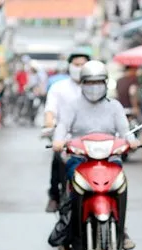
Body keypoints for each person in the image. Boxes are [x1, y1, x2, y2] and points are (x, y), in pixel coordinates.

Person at [50, 60, 139, 250]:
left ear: (106, 83)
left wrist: (131, 141)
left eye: (98, 82)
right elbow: (62, 127)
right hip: (80, 158)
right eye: (89, 82)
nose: (94, 87)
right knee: (72, 190)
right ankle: (68, 232)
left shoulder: (114, 106)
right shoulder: (72, 106)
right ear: (82, 83)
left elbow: (125, 131)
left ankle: (121, 230)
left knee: (121, 185)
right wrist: (58, 141)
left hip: (109, 158)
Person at [41, 51, 91, 212]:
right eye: (76, 64)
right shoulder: (59, 88)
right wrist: (49, 123)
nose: (80, 68)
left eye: (83, 64)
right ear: (69, 66)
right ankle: (54, 196)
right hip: (66, 139)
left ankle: (120, 228)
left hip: (94, 139)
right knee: (58, 159)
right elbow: (50, 110)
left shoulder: (97, 87)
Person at [115, 66, 142, 162]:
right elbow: (133, 92)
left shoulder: (119, 81)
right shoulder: (133, 80)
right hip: (131, 110)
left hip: (121, 110)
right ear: (132, 70)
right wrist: (135, 107)